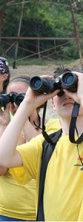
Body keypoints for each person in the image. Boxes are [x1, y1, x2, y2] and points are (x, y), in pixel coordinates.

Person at [0, 70, 83, 220]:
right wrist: (27, 104)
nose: (67, 95)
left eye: (74, 90)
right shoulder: (45, 144)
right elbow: (3, 158)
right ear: (53, 104)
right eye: (60, 93)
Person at [0, 76, 40, 221]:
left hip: (42, 213)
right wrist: (4, 125)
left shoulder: (53, 127)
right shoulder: (3, 128)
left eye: (22, 97)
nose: (19, 104)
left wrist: (22, 117)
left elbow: (41, 156)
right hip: (6, 213)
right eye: (12, 98)